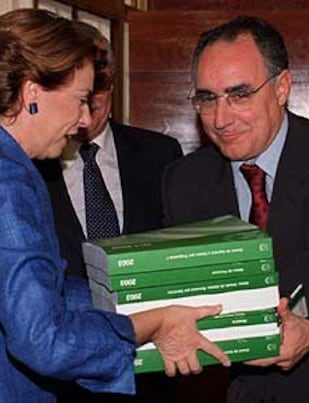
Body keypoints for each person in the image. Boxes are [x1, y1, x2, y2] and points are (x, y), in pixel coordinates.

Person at [0, 9, 230, 402]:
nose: (85, 119)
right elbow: (45, 341)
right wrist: (150, 324)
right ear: (32, 92)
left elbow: (44, 288)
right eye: (80, 99)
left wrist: (143, 300)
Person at [162, 15, 309, 402]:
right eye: (208, 98)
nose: (221, 119)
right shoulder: (183, 181)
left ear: (282, 88)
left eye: (239, 95)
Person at [35, 22, 184, 403]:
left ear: (113, 84)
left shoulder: (161, 155)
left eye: (99, 84)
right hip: (62, 380)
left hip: (149, 373)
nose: (91, 102)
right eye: (81, 88)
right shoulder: (29, 165)